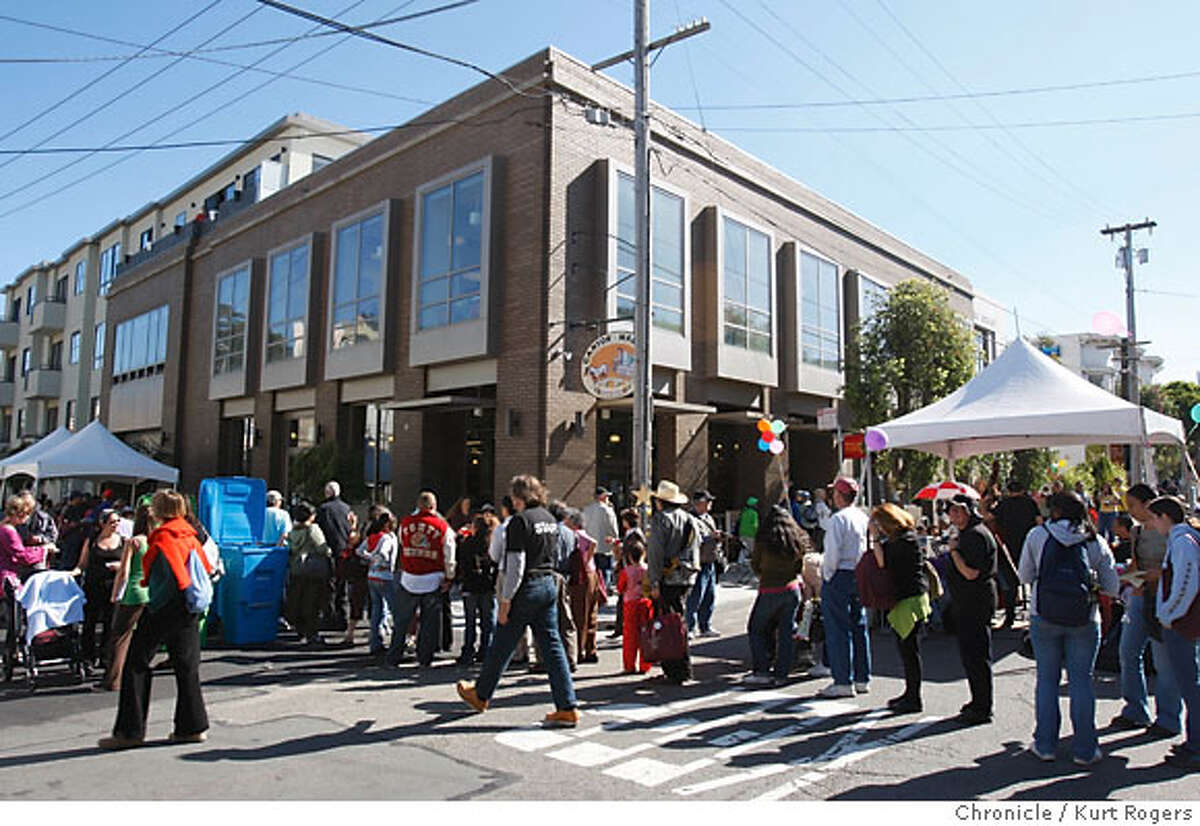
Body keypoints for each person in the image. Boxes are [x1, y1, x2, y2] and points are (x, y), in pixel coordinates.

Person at [457, 475, 580, 727]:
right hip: (549, 582)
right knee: (552, 646)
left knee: (502, 643)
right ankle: (567, 705)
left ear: (518, 497)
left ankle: (481, 695)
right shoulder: (549, 519)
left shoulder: (518, 522)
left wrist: (505, 600)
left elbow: (516, 564)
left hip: (526, 586)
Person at [99, 491, 212, 750]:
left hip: (167, 605)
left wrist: (154, 606)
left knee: (136, 664)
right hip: (190, 604)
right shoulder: (189, 534)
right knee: (187, 667)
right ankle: (192, 726)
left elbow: (162, 577)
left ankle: (130, 731)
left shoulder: (163, 536)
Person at [1018, 492, 1120, 765]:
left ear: (1055, 511)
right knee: (1081, 681)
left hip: (1044, 615)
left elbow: (1024, 576)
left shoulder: (1037, 536)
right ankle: (1085, 749)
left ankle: (1045, 744)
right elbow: (1112, 586)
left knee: (1047, 680)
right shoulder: (1094, 540)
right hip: (1084, 617)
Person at [1111, 483, 1181, 737]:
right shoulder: (1137, 531)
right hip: (1141, 597)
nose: (1129, 510)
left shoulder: (1171, 532)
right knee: (1128, 652)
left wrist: (1155, 577)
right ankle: (1135, 709)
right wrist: (1123, 578)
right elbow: (1135, 563)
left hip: (1164, 599)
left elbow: (1181, 568)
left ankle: (1168, 718)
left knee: (1164, 661)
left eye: (1132, 505)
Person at [1146, 496, 1200, 771]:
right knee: (1189, 682)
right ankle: (1193, 740)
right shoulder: (1182, 540)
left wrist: (1168, 614)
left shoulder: (1182, 543)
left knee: (1191, 685)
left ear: (1165, 517)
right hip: (1182, 622)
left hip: (1182, 624)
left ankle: (1197, 746)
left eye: (1154, 518)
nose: (1152, 525)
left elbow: (1185, 585)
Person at [870, 503, 930, 713]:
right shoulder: (908, 538)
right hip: (914, 597)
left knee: (909, 650)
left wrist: (875, 538)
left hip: (907, 600)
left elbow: (881, 561)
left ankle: (913, 697)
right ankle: (910, 693)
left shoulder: (901, 542)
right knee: (909, 650)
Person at [946, 493, 999, 725]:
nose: (954, 515)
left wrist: (954, 552)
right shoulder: (968, 533)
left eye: (959, 510)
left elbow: (971, 573)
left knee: (977, 655)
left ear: (969, 511)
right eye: (952, 511)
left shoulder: (975, 535)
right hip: (968, 601)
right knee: (971, 655)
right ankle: (977, 700)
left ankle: (982, 707)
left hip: (975, 600)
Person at [388, 491, 456, 668]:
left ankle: (394, 654)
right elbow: (449, 553)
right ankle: (424, 657)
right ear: (433, 506)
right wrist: (450, 576)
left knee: (402, 621)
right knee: (428, 622)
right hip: (433, 578)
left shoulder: (405, 523)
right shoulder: (442, 526)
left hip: (409, 577)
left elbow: (402, 544)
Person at [744, 498, 807, 687]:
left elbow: (756, 565)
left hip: (770, 589)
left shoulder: (764, 541)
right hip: (792, 589)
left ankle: (762, 670)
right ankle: (782, 672)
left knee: (756, 628)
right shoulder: (796, 541)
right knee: (787, 632)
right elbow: (800, 565)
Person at [818, 477, 871, 698]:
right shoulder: (862, 516)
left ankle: (842, 680)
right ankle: (862, 677)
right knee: (859, 625)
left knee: (838, 628)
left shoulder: (837, 519)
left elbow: (832, 554)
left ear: (839, 496)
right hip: (859, 573)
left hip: (840, 573)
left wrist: (826, 575)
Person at [646, 479, 700, 684]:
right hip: (686, 576)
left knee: (670, 625)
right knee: (678, 620)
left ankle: (678, 669)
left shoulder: (661, 520)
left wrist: (654, 581)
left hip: (667, 577)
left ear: (660, 501)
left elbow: (655, 552)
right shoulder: (690, 519)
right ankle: (679, 668)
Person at [99, 505, 154, 692]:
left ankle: (113, 680)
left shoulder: (133, 542)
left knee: (119, 637)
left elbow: (124, 572)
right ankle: (134, 674)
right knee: (142, 637)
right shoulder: (153, 541)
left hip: (133, 592)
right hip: (149, 591)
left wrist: (115, 594)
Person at [1, 496, 48, 672]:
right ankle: (11, 655)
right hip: (8, 577)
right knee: (15, 622)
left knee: (13, 620)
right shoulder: (9, 531)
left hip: (7, 574)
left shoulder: (4, 528)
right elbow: (20, 555)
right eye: (26, 514)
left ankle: (11, 654)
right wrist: (42, 550)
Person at [77, 509, 125, 674]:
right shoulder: (92, 541)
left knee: (110, 623)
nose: (116, 525)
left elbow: (128, 564)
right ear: (102, 523)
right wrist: (71, 573)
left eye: (118, 521)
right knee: (90, 622)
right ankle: (88, 658)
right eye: (112, 522)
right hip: (93, 585)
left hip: (113, 586)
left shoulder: (123, 542)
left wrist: (120, 567)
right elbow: (82, 564)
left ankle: (106, 658)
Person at [285, 502, 332, 648]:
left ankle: (300, 630)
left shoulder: (293, 531)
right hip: (313, 571)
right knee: (312, 602)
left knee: (298, 599)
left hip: (297, 569)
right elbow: (322, 548)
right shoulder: (313, 529)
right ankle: (312, 634)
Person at [456, 510, 499, 666]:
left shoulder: (466, 543)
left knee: (470, 622)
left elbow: (461, 563)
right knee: (488, 622)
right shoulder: (492, 544)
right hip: (488, 587)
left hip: (470, 586)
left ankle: (468, 652)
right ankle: (486, 651)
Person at [358, 508, 398, 659]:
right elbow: (383, 553)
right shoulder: (388, 538)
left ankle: (375, 642)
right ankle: (396, 643)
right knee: (395, 610)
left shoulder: (372, 537)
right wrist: (379, 560)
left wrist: (369, 558)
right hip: (386, 576)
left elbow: (359, 551)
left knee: (376, 609)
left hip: (372, 576)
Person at [685, 490, 723, 639]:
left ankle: (705, 625)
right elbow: (694, 540)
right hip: (698, 562)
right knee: (695, 597)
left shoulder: (709, 518)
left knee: (710, 595)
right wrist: (710, 537)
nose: (709, 504)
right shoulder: (690, 519)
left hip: (710, 561)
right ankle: (690, 626)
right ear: (699, 503)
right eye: (707, 502)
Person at [566, 518, 604, 665]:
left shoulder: (577, 535)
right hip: (592, 574)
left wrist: (587, 558)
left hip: (583, 576)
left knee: (580, 613)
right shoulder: (580, 534)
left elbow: (593, 542)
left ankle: (580, 650)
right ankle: (590, 648)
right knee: (591, 614)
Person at [315, 481, 352, 627]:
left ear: (328, 493)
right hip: (344, 550)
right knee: (342, 585)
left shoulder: (324, 509)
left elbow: (319, 530)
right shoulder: (346, 508)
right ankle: (342, 616)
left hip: (329, 550)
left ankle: (329, 617)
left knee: (329, 585)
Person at [618, 539, 653, 673]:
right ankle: (645, 665)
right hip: (645, 602)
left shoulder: (626, 571)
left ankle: (629, 665)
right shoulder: (647, 570)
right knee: (645, 634)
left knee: (630, 636)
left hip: (630, 604)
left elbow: (621, 588)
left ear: (629, 557)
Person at [582, 486, 619, 589]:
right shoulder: (607, 510)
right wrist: (615, 539)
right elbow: (613, 528)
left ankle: (594, 591)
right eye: (607, 497)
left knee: (593, 571)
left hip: (590, 547)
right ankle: (603, 592)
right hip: (604, 546)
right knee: (605, 571)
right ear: (602, 497)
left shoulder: (586, 509)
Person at [736, 497, 759, 564]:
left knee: (744, 548)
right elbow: (755, 525)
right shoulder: (754, 513)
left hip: (742, 534)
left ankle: (740, 561)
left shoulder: (744, 512)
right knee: (751, 549)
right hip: (751, 534)